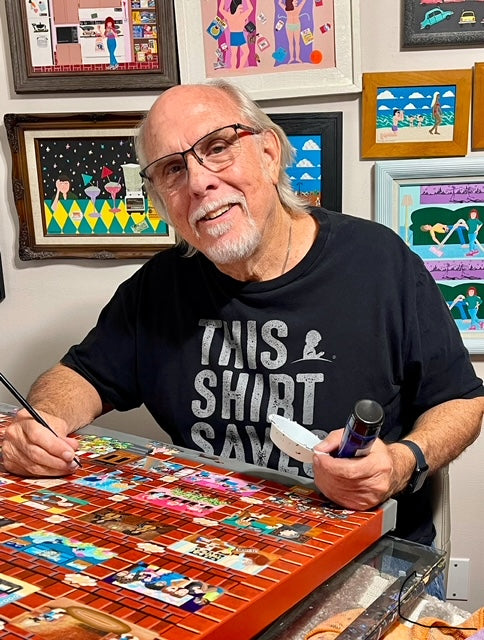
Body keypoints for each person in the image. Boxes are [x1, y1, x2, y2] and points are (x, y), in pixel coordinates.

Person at [3, 81, 483, 572]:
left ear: (270, 153)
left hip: (367, 559)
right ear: (161, 200)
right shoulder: (158, 286)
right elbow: (79, 376)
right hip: (216, 553)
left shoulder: (380, 262)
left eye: (216, 147)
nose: (198, 182)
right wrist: (42, 422)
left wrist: (403, 462)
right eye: (172, 169)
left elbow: (462, 400)